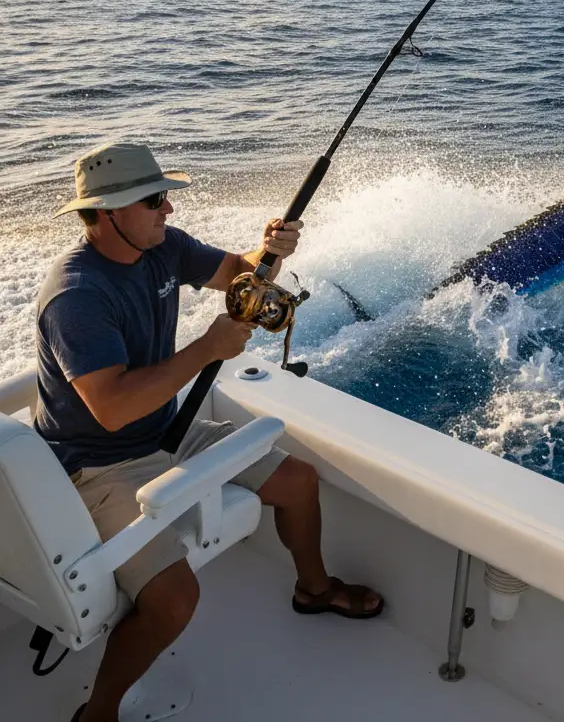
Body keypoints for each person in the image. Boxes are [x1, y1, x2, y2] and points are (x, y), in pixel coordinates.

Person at [36, 142, 383, 722]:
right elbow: (112, 409)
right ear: (107, 213)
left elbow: (237, 273)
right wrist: (206, 350)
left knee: (297, 482)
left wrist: (268, 250)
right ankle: (98, 711)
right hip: (96, 465)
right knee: (174, 601)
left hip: (166, 428)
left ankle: (314, 590)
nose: (168, 209)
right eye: (154, 200)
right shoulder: (77, 295)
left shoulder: (160, 246)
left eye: (165, 195)